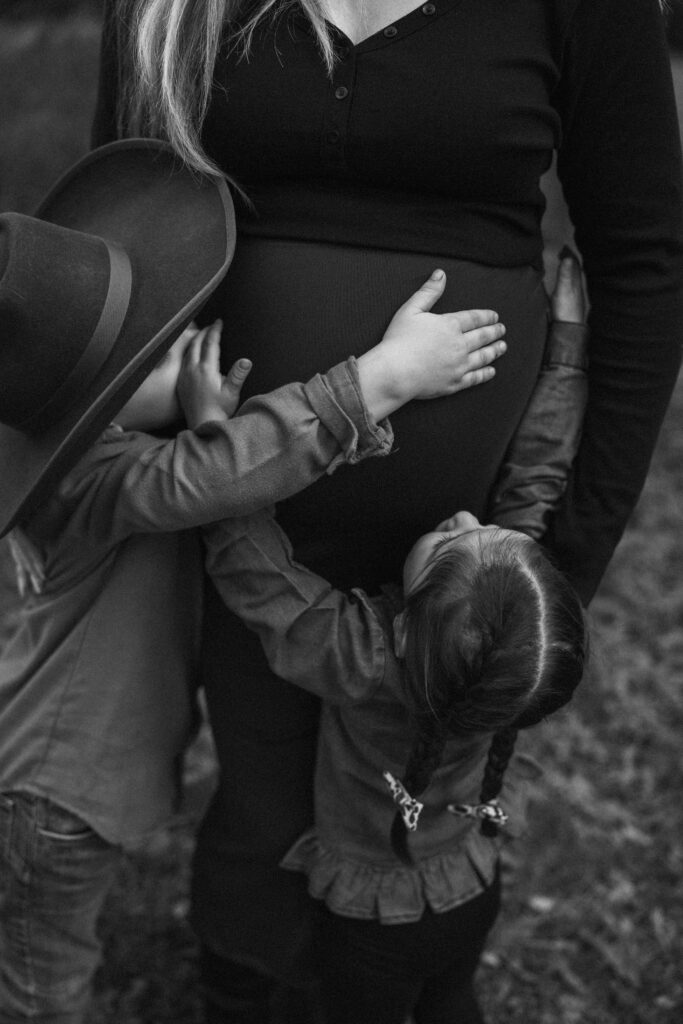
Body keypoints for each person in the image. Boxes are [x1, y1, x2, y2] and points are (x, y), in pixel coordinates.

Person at [91, 1, 683, 1018]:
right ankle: (259, 977)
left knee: (417, 807)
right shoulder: (170, 10)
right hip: (219, 485)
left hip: (456, 568)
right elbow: (112, 222)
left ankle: (396, 965)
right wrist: (172, 443)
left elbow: (643, 257)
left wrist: (554, 573)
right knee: (260, 793)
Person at [0, 139, 505, 1024]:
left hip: (47, 789)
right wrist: (379, 380)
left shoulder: (51, 460)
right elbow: (211, 478)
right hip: (47, 798)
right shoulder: (96, 479)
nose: (190, 348)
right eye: (158, 353)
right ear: (93, 411)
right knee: (41, 981)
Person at [194, 250, 588, 1024]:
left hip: (372, 927)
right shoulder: (501, 657)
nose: (468, 518)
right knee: (452, 1002)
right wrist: (566, 348)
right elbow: (536, 476)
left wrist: (216, 440)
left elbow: (256, 571)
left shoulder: (365, 660)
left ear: (409, 620)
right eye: (483, 533)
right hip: (469, 888)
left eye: (448, 543)